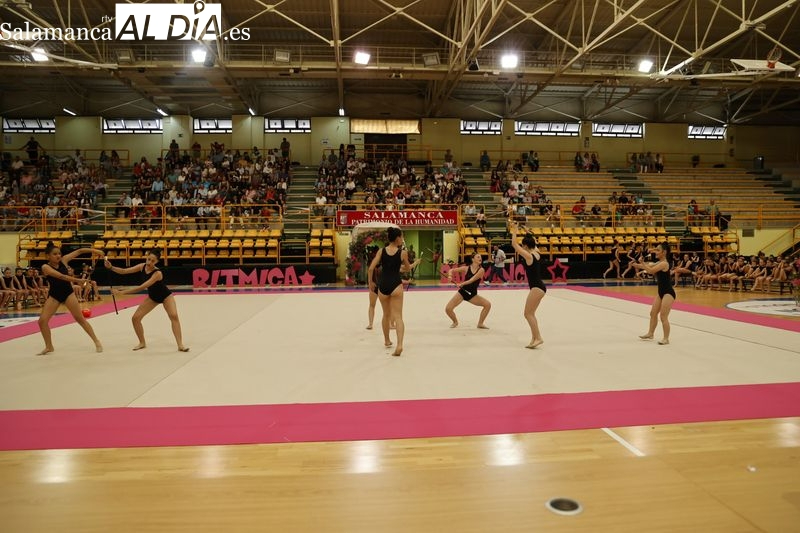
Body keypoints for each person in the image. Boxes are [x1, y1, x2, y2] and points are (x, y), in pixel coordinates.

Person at [106, 250, 189, 352]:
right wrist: (111, 267)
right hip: (153, 297)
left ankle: (180, 345)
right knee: (135, 318)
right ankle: (142, 342)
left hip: (165, 296)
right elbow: (124, 271)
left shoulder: (157, 273)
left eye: (153, 261)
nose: (149, 262)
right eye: (148, 259)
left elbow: (142, 287)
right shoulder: (142, 266)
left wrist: (121, 292)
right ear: (147, 257)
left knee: (174, 316)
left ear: (156, 262)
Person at [37, 243, 105, 355]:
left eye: (59, 253)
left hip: (68, 294)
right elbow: (61, 276)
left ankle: (96, 341)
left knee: (80, 319)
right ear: (48, 256)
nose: (58, 256)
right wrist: (78, 280)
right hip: (54, 295)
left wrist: (96, 251)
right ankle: (49, 346)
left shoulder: (64, 260)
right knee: (42, 321)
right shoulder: (45, 267)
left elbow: (80, 251)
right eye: (55, 254)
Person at [367, 227, 422, 356]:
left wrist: (370, 283)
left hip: (383, 285)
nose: (402, 239)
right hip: (396, 285)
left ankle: (387, 341)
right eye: (401, 237)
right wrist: (414, 264)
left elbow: (370, 268)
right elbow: (407, 269)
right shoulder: (402, 253)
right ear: (397, 238)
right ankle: (399, 345)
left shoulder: (381, 251)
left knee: (386, 315)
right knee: (398, 317)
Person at [510, 222, 546, 349]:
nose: (522, 247)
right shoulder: (536, 252)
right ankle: (534, 338)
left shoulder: (529, 256)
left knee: (528, 314)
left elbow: (514, 245)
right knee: (531, 314)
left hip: (536, 288)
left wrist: (515, 229)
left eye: (523, 246)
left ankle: (538, 337)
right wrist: (526, 231)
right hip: (539, 287)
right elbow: (532, 239)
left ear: (525, 246)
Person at [632, 243, 675, 345]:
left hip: (668, 293)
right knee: (653, 313)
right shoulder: (659, 262)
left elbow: (650, 271)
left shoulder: (664, 264)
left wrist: (642, 263)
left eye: (658, 250)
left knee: (663, 316)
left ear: (664, 252)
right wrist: (636, 264)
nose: (655, 252)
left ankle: (666, 338)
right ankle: (650, 333)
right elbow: (649, 266)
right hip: (661, 292)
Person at [445, 253, 491, 329]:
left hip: (472, 295)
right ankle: (455, 322)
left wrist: (462, 284)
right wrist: (450, 276)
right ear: (473, 259)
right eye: (478, 257)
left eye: (480, 257)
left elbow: (471, 280)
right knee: (448, 309)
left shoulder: (481, 270)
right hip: (462, 293)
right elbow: (451, 270)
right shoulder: (466, 268)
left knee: (488, 305)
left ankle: (480, 324)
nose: (480, 258)